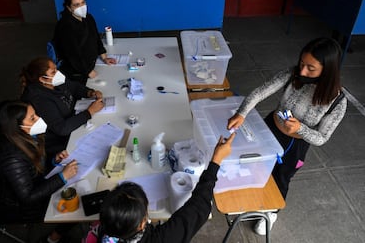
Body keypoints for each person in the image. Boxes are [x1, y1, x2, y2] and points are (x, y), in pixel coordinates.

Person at [227, 37, 347, 235]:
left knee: (281, 178)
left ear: (328, 70)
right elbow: (260, 92)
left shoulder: (337, 101)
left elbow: (321, 138)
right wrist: (241, 113)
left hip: (295, 144)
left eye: (311, 68)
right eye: (301, 64)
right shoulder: (292, 74)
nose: (302, 71)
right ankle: (251, 198)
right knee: (254, 163)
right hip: (270, 127)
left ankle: (271, 212)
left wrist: (300, 129)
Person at [84, 134, 235, 243]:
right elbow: (198, 208)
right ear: (142, 223)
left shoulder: (104, 232)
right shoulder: (162, 239)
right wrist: (216, 161)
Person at [0, 101, 79, 242]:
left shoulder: (28, 137)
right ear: (18, 127)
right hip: (21, 209)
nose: (39, 118)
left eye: (36, 114)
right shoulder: (12, 159)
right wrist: (62, 176)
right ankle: (52, 239)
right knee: (77, 205)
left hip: (36, 185)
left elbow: (34, 166)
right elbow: (28, 198)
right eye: (32, 118)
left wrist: (54, 161)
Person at [20, 56, 104, 161]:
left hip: (75, 119)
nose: (57, 73)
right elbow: (61, 128)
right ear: (42, 79)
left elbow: (74, 87)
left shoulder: (54, 81)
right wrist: (89, 112)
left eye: (56, 69)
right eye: (53, 72)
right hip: (62, 140)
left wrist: (89, 92)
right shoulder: (39, 100)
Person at [53, 0, 116, 84]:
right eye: (76, 5)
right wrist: (88, 71)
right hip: (77, 71)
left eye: (83, 3)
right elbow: (72, 54)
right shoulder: (65, 26)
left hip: (92, 63)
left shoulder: (88, 18)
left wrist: (104, 57)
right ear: (69, 7)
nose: (81, 7)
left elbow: (96, 38)